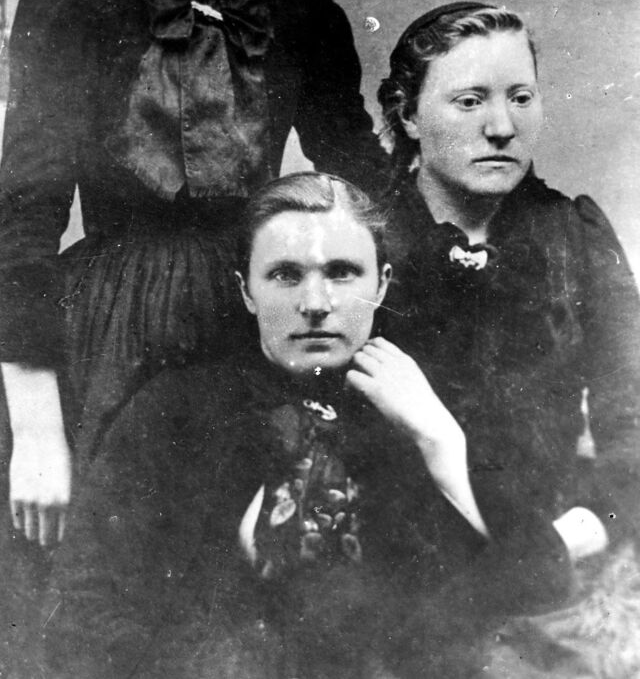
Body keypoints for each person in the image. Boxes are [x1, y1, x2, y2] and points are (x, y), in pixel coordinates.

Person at [0, 0, 386, 672]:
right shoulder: (83, 10)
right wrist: (39, 432)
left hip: (255, 307)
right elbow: (22, 220)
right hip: (110, 324)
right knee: (113, 585)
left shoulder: (295, 4)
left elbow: (360, 176)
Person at [41, 172, 617, 679]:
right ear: (246, 291)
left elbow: (535, 582)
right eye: (285, 275)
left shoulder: (426, 401)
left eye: (341, 273)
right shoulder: (174, 411)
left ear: (382, 285)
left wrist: (440, 441)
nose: (315, 302)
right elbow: (84, 613)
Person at [377, 1, 640, 675]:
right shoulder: (364, 242)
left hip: (550, 574)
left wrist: (582, 531)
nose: (501, 126)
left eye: (521, 97)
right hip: (400, 581)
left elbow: (634, 422)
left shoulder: (575, 236)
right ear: (408, 115)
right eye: (469, 101)